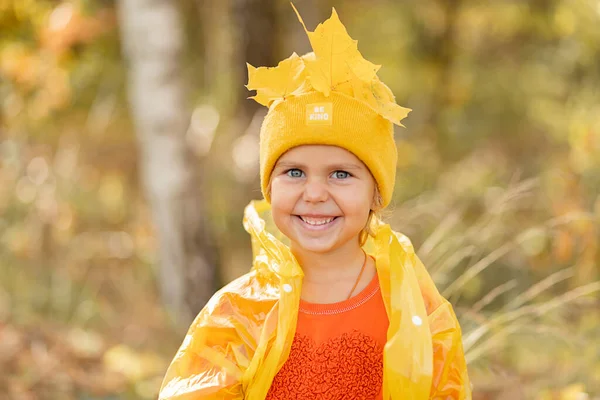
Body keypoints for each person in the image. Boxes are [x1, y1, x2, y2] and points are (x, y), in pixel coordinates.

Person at [159, 5, 471, 400]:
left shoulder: (413, 312)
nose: (315, 193)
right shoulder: (240, 312)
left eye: (341, 174)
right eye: (294, 172)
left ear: (377, 192)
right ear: (269, 187)